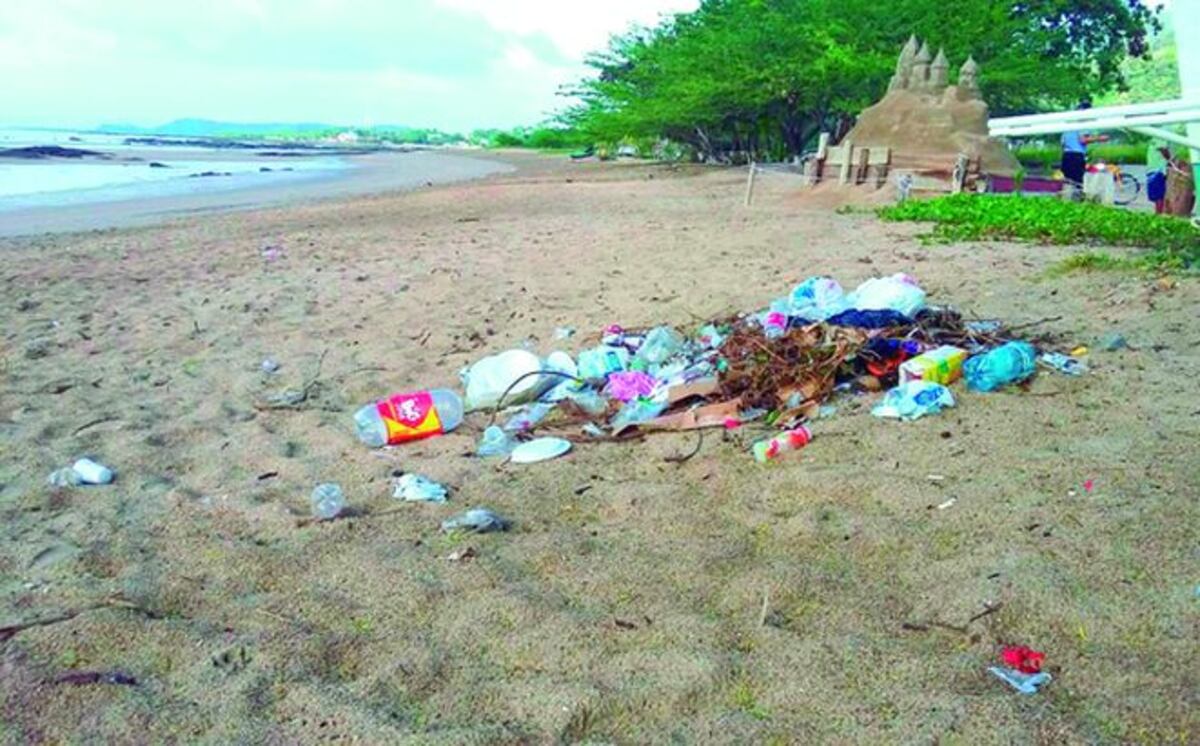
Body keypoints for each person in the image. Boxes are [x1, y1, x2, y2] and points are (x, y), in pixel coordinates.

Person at [1060, 101, 1107, 198]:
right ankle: (1078, 203)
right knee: (1078, 183)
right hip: (1077, 156)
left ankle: (1066, 201)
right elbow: (1083, 140)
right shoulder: (1082, 123)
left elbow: (1063, 143)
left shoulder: (1068, 124)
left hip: (1066, 155)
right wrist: (1099, 138)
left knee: (1068, 182)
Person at [1145, 139, 1171, 214]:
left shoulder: (1159, 136)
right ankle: (1158, 213)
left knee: (1159, 196)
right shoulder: (1153, 138)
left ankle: (1159, 214)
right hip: (1152, 170)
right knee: (1156, 196)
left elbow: (1163, 150)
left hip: (1158, 170)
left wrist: (1170, 160)